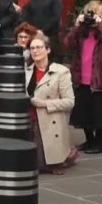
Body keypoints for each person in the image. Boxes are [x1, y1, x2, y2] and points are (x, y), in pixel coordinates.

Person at [63, 1, 102, 155]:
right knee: (83, 112)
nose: (94, 18)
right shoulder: (82, 32)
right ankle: (89, 140)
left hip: (100, 79)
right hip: (82, 78)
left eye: (98, 15)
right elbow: (67, 43)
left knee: (99, 113)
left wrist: (101, 25)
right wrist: (76, 26)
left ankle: (99, 142)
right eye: (92, 14)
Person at [27, 35, 77, 174]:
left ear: (48, 50)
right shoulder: (26, 71)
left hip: (49, 121)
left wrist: (44, 103)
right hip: (27, 118)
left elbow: (69, 102)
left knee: (44, 163)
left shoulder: (61, 72)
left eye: (39, 47)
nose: (35, 51)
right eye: (32, 48)